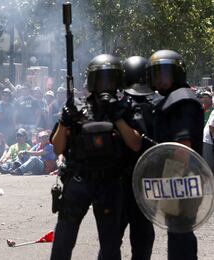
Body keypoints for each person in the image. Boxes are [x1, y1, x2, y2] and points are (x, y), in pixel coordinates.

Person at [50, 54, 142, 260]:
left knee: (110, 245)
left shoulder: (125, 106)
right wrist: (65, 120)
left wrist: (117, 116)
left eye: (111, 79)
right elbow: (58, 148)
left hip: (109, 184)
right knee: (63, 240)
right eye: (102, 78)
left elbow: (135, 144)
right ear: (93, 80)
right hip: (78, 181)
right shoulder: (77, 105)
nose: (106, 84)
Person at [147, 50, 203, 260]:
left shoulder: (181, 101)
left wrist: (172, 184)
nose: (160, 80)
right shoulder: (171, 99)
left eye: (165, 74)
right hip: (179, 180)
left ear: (177, 74)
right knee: (177, 232)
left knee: (181, 234)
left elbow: (183, 148)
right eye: (156, 74)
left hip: (181, 180)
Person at [119, 56, 155, 260]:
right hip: (144, 181)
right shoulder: (156, 105)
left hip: (122, 179)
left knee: (113, 238)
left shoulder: (119, 105)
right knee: (142, 238)